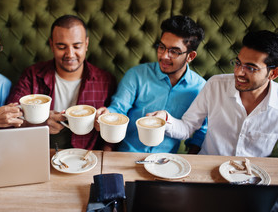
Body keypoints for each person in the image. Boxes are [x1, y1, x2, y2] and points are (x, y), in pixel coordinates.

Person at [150, 30, 278, 157]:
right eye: (238, 63)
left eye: (250, 68)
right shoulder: (215, 85)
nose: (239, 72)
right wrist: (165, 119)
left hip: (254, 174)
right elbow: (187, 127)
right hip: (208, 169)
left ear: (273, 73)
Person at [97, 15, 207, 153]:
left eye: (174, 51)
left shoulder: (201, 88)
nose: (164, 56)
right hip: (127, 155)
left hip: (167, 162)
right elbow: (118, 110)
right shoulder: (136, 75)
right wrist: (107, 114)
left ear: (190, 56)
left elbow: (201, 133)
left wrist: (190, 163)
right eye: (162, 47)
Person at [7, 15, 116, 150]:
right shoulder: (32, 75)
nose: (70, 54)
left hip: (87, 156)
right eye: (61, 46)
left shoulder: (105, 80)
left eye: (77, 46)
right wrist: (39, 123)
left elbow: (112, 134)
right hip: (40, 150)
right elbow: (10, 118)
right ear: (52, 45)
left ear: (86, 44)